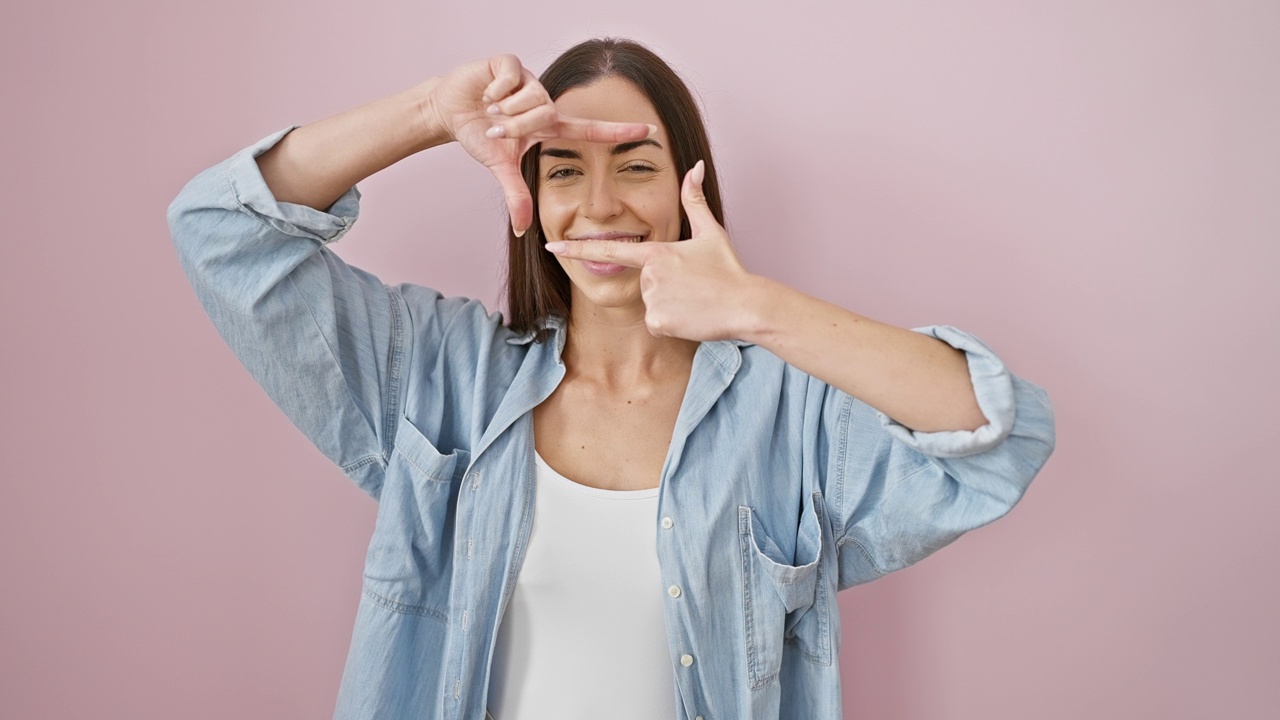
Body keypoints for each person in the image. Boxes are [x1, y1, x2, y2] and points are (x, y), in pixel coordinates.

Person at [169, 37, 1054, 720]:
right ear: (528, 199)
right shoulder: (441, 376)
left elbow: (998, 435)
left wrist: (752, 307)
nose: (600, 205)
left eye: (636, 167)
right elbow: (220, 230)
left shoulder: (789, 414)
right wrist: (434, 113)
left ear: (685, 187)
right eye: (564, 171)